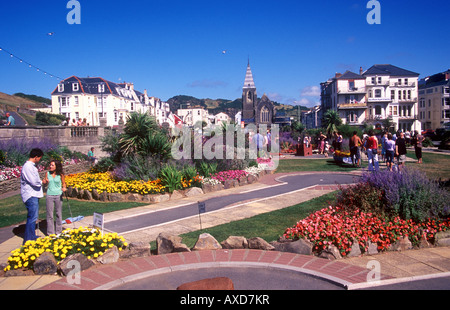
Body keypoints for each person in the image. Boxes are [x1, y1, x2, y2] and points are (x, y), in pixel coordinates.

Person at [20, 148, 44, 244]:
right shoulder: (28, 167)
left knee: (34, 217)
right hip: (30, 195)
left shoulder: (31, 166)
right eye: (39, 158)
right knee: (32, 217)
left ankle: (32, 236)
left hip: (33, 194)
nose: (40, 160)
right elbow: (34, 181)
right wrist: (43, 182)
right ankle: (29, 239)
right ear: (36, 157)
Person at [43, 160, 66, 235]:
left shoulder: (61, 174)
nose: (50, 166)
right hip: (49, 195)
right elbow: (45, 185)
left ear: (56, 166)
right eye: (50, 165)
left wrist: (64, 188)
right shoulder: (47, 173)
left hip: (58, 195)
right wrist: (45, 182)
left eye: (52, 165)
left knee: (58, 214)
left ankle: (58, 232)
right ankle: (50, 233)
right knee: (50, 215)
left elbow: (64, 183)